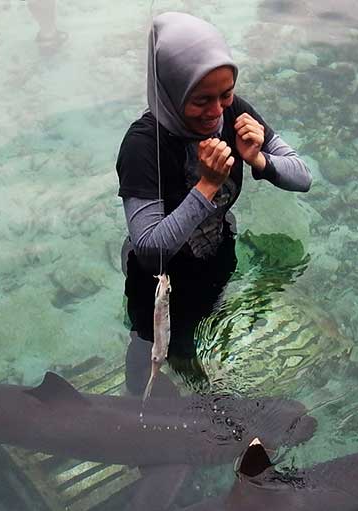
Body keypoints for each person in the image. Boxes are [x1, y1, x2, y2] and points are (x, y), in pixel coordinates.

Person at [116, 11, 313, 395]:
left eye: (226, 94)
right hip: (158, 281)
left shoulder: (233, 112)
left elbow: (302, 176)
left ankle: (193, 379)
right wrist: (207, 186)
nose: (217, 112)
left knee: (198, 330)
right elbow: (149, 249)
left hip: (218, 252)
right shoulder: (142, 146)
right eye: (201, 99)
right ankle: (136, 405)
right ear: (171, 91)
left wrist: (259, 159)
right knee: (147, 343)